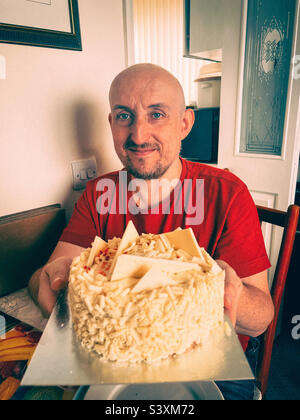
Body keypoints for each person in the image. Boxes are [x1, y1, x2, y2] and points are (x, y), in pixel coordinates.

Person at [28, 63, 274, 400]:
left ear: (185, 123)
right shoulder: (99, 193)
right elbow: (45, 276)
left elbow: (261, 318)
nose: (139, 135)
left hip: (209, 365)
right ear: (111, 123)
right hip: (114, 360)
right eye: (124, 116)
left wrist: (227, 291)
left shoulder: (227, 193)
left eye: (156, 114)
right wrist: (49, 280)